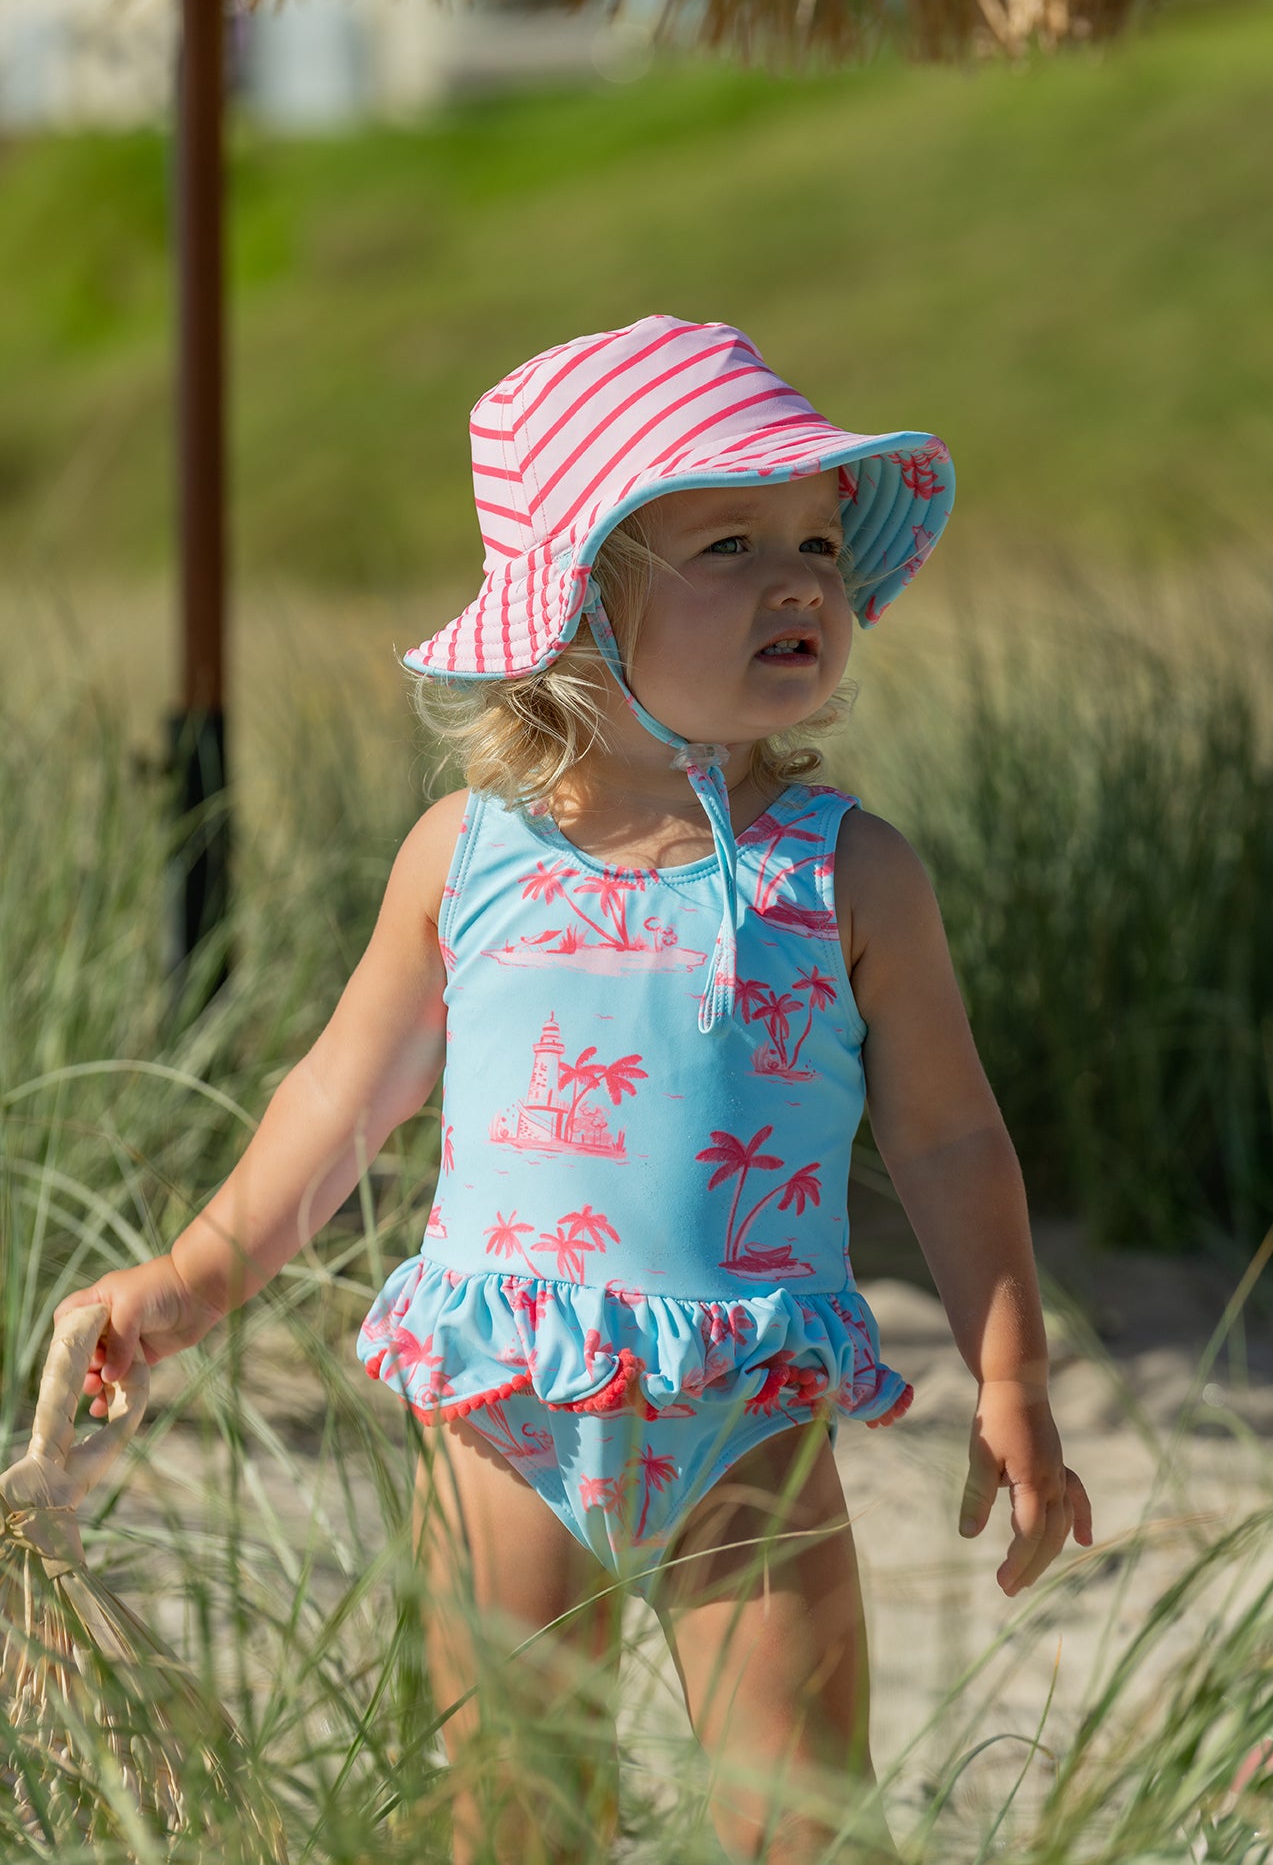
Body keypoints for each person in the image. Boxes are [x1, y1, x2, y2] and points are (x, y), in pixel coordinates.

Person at [57, 316, 1093, 1865]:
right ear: (576, 606)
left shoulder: (845, 872)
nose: (801, 576)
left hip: (744, 1407)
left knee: (797, 1811)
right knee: (515, 1815)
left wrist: (1007, 1378)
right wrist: (199, 1274)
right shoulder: (465, 855)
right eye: (729, 544)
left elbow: (948, 1139)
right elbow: (347, 1089)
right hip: (504, 1409)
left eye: (818, 538)